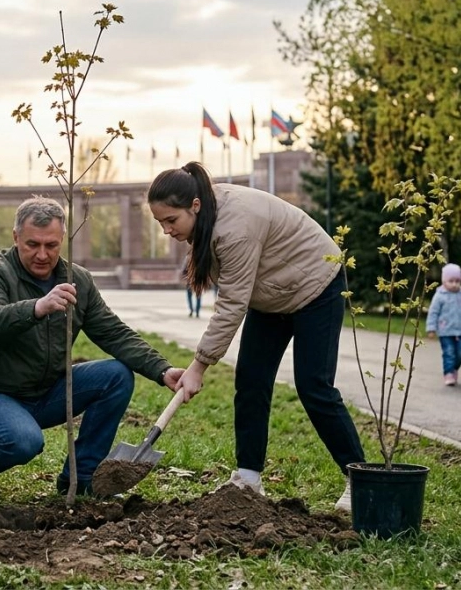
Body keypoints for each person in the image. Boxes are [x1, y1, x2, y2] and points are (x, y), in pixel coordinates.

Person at [146, 162, 364, 512]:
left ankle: (361, 479)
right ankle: (248, 479)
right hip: (272, 293)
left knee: (314, 387)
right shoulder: (208, 217)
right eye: (161, 223)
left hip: (315, 287)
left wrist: (198, 366)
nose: (167, 230)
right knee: (250, 382)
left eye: (171, 220)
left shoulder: (236, 226)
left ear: (195, 206)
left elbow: (232, 303)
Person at [0, 197, 185, 500]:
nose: (42, 254)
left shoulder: (77, 280)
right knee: (24, 441)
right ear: (15, 238)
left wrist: (162, 369)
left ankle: (82, 477)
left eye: (51, 245)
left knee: (116, 375)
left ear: (62, 238)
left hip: (46, 392)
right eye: (32, 244)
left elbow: (113, 332)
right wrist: (37, 307)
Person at [426, 263, 461, 386]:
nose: (454, 284)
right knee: (449, 353)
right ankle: (448, 373)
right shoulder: (440, 296)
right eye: (451, 281)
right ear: (444, 281)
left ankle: (454, 369)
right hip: (445, 331)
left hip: (460, 330)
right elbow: (433, 312)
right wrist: (431, 328)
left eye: (457, 281)